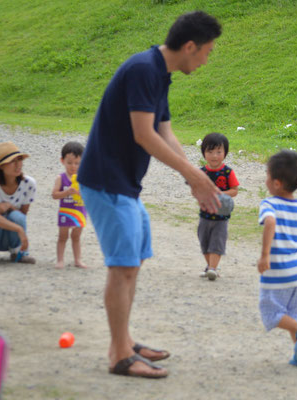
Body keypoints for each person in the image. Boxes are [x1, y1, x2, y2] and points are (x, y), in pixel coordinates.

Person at [77, 11, 222, 379]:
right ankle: (120, 356)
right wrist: (192, 175)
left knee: (134, 261)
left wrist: (197, 178)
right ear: (189, 46)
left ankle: (122, 341)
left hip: (125, 184)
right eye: (207, 51)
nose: (207, 59)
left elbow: (165, 131)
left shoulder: (160, 73)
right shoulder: (144, 69)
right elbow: (144, 135)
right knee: (123, 266)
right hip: (107, 181)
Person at [257, 150, 297, 368]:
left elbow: (271, 223)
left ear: (276, 183)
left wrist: (265, 255)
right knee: (295, 315)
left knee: (271, 312)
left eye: (266, 175)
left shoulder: (269, 204)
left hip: (278, 272)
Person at [197, 133, 239, 281]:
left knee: (217, 241)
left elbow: (234, 190)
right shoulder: (201, 173)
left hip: (221, 216)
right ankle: (210, 267)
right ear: (204, 154)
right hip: (205, 214)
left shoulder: (228, 172)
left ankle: (213, 268)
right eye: (210, 152)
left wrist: (220, 193)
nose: (214, 156)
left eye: (218, 152)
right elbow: (195, 190)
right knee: (204, 241)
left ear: (225, 153)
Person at [52, 141, 88, 269]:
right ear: (62, 161)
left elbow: (90, 195)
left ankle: (78, 260)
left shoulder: (84, 179)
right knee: (63, 236)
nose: (73, 166)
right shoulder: (61, 178)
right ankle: (60, 260)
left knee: (76, 237)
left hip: (80, 211)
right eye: (69, 163)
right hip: (66, 211)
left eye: (77, 163)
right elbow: (54, 195)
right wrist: (67, 192)